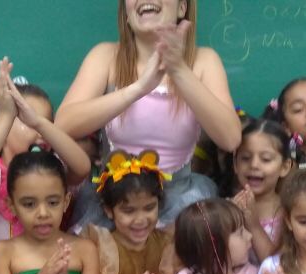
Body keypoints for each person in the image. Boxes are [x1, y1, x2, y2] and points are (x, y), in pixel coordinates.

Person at [56, 0, 241, 229]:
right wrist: (138, 89)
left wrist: (178, 69)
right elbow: (64, 123)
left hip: (181, 202)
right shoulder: (105, 56)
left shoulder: (204, 61)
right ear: (126, 12)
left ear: (182, 8)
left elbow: (230, 138)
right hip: (118, 203)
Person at [0, 57, 90, 274]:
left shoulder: (52, 171)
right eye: (25, 118)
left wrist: (38, 123)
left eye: (46, 121)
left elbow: (82, 168)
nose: (39, 130)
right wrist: (6, 115)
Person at [231, 118, 293, 261]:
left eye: (266, 159)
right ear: (235, 164)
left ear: (285, 167)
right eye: (245, 158)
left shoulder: (291, 213)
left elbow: (278, 266)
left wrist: (253, 226)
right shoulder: (224, 210)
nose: (254, 165)